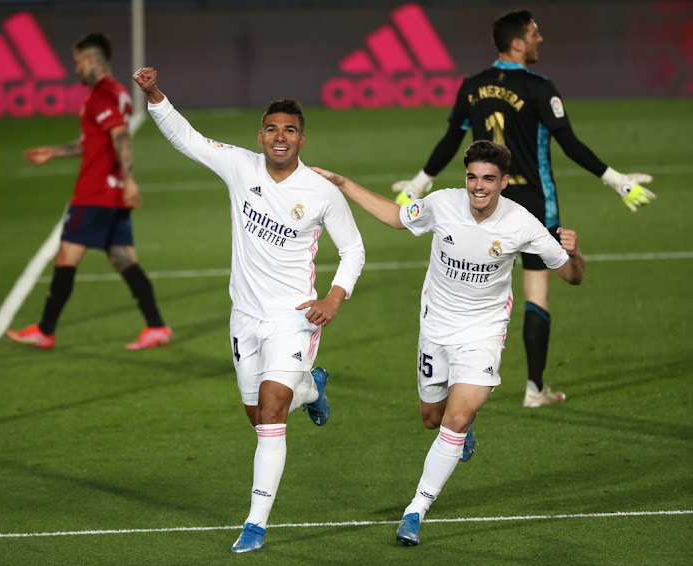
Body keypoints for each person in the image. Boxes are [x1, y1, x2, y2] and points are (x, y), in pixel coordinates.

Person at [132, 67, 365, 554]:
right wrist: (154, 94)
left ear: (302, 138)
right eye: (272, 129)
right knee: (257, 415)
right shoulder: (240, 166)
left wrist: (332, 299)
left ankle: (255, 523)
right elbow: (188, 139)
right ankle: (312, 387)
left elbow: (354, 251)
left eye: (290, 130)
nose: (280, 138)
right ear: (260, 135)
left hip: (294, 317)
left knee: (273, 415)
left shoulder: (322, 193)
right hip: (245, 317)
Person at [314, 139, 584, 546]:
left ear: (504, 182)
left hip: (483, 332)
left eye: (489, 179)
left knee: (455, 419)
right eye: (473, 177)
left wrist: (575, 254)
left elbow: (572, 277)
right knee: (432, 418)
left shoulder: (522, 223)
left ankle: (415, 511)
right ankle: (461, 427)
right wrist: (343, 183)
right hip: (436, 328)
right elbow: (395, 217)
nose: (479, 186)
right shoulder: (442, 204)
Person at [392, 9, 654, 410]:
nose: (540, 40)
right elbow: (567, 141)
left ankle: (461, 380)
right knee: (537, 292)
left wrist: (418, 182)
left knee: (471, 287)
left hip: (483, 198)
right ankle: (534, 388)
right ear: (517, 42)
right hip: (531, 203)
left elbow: (451, 139)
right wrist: (615, 179)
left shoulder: (473, 85)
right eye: (534, 34)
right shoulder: (538, 87)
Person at [7, 33, 171, 351]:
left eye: (78, 61)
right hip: (110, 193)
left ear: (92, 60)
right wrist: (53, 152)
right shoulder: (115, 93)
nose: (76, 68)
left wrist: (131, 180)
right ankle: (156, 326)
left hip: (95, 194)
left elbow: (120, 136)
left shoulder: (102, 94)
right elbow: (93, 143)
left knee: (66, 256)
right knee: (124, 259)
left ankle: (45, 329)